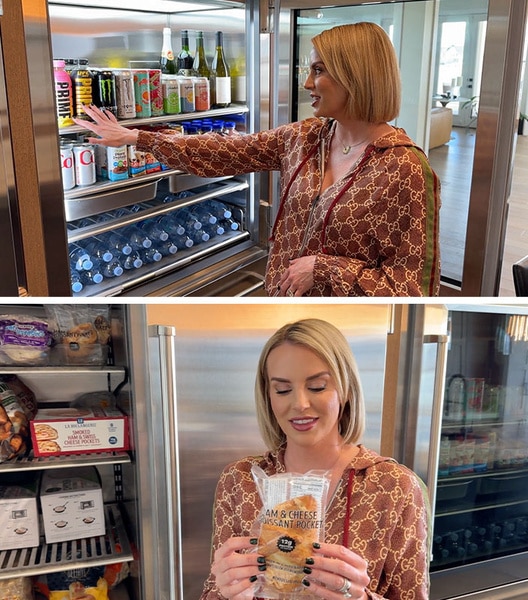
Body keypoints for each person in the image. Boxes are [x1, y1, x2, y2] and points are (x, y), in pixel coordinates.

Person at [75, 22, 440, 297]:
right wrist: (139, 137)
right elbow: (228, 152)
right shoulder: (306, 136)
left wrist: (324, 269)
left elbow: (410, 290)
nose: (307, 83)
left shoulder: (404, 170)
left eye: (318, 70)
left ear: (355, 76)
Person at [199, 318, 430, 600]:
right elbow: (212, 591)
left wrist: (360, 598)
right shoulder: (240, 480)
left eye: (318, 386)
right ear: (268, 397)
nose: (300, 404)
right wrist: (226, 591)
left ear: (345, 389)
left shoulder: (393, 487)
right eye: (282, 390)